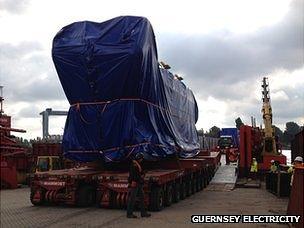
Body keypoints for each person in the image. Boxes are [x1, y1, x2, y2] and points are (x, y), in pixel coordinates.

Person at [126, 152, 151, 218]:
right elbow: (132, 174)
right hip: (135, 183)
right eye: (141, 159)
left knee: (142, 198)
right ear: (139, 158)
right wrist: (132, 181)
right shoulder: (134, 165)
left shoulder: (137, 164)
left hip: (139, 183)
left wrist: (143, 173)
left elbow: (139, 172)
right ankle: (129, 214)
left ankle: (143, 213)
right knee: (132, 199)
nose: (142, 160)